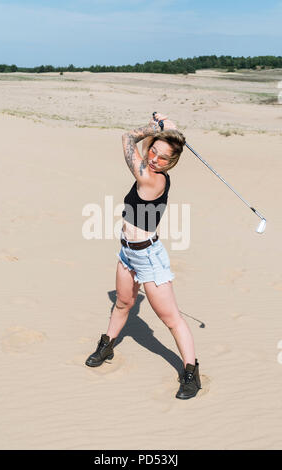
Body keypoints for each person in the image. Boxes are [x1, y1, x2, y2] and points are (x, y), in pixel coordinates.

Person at [85, 113, 201, 400]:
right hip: (127, 252)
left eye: (163, 157)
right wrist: (166, 126)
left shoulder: (152, 179)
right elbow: (158, 138)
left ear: (171, 163)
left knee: (171, 318)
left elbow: (126, 138)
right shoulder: (151, 168)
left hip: (148, 257)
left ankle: (191, 372)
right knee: (124, 303)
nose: (154, 159)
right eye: (153, 151)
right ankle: (108, 344)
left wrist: (155, 128)